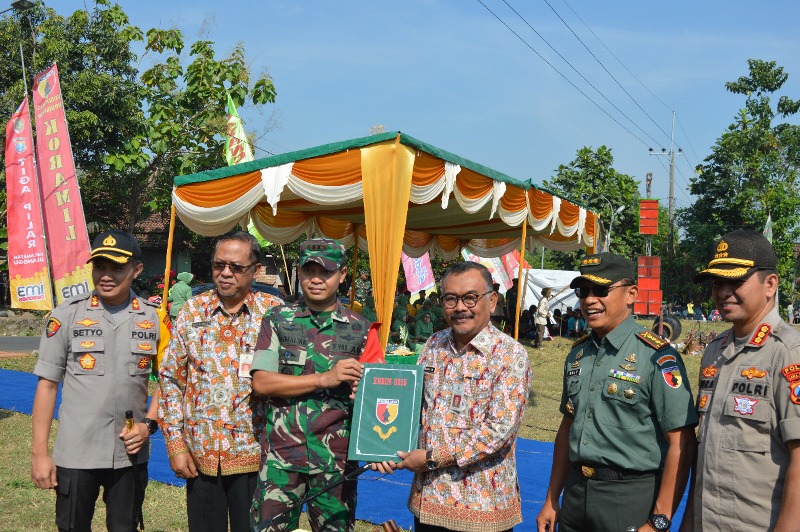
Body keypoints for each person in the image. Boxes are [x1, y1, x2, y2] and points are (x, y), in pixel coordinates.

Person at [537, 252, 697, 532]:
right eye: (583, 291)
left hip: (629, 498)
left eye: (601, 290)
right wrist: (552, 499)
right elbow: (568, 426)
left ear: (631, 294)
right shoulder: (578, 354)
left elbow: (681, 442)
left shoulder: (656, 357)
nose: (589, 300)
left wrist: (660, 520)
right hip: (576, 494)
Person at [375, 261, 532, 531]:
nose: (460, 307)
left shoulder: (510, 355)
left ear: (492, 300)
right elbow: (412, 405)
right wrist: (382, 443)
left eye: (470, 297)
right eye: (451, 299)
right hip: (429, 500)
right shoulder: (433, 345)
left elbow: (498, 431)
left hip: (480, 508)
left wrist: (431, 457)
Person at [31, 230, 161, 531]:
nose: (106, 275)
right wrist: (40, 454)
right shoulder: (66, 316)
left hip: (130, 453)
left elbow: (170, 382)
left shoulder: (155, 319)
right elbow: (47, 385)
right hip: (77, 452)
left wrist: (149, 424)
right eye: (99, 266)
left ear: (136, 270)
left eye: (116, 268)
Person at [158, 230, 283, 532]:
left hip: (255, 456)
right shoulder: (191, 311)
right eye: (218, 265)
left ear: (255, 269)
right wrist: (175, 444)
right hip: (200, 456)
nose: (226, 273)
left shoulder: (275, 314)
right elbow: (171, 380)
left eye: (236, 267)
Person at [682, 229, 800, 531]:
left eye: (735, 281)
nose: (723, 292)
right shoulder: (713, 352)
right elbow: (705, 448)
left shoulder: (787, 353)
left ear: (770, 284)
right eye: (717, 283)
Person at [250, 238, 371, 532]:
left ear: (342, 274)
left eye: (326, 272)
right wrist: (325, 379)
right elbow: (262, 382)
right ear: (300, 273)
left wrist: (363, 393)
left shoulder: (362, 329)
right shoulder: (278, 319)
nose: (316, 279)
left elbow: (375, 398)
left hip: (336, 462)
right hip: (281, 459)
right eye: (309, 271)